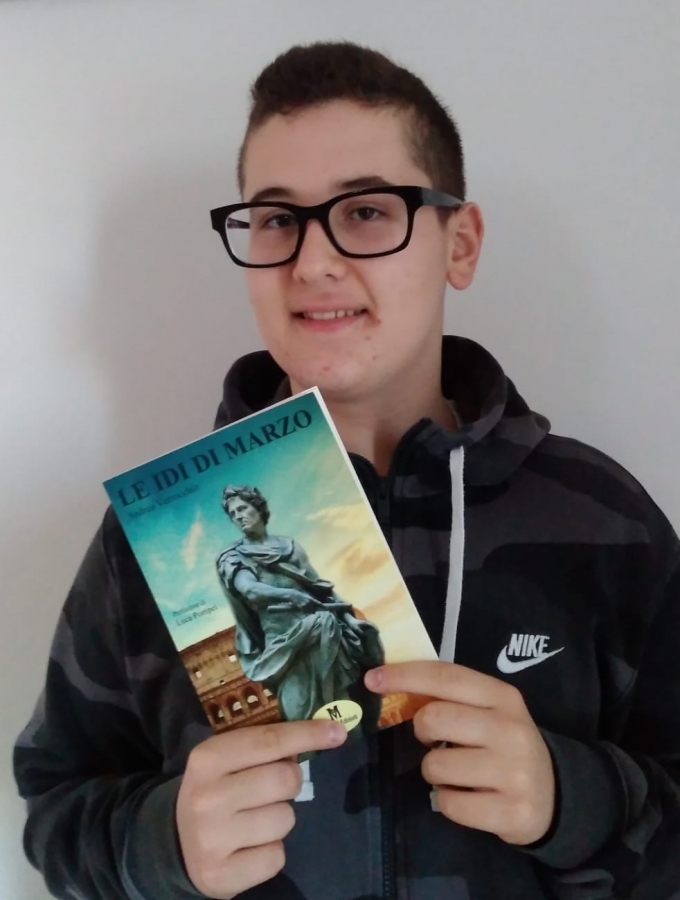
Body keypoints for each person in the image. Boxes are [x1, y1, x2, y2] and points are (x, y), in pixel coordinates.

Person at [13, 40, 680, 900]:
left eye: (366, 211)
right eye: (277, 219)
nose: (313, 262)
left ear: (459, 244)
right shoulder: (160, 537)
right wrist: (161, 844)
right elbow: (55, 805)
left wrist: (573, 799)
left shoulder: (603, 523)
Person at [217, 484, 384, 728]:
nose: (238, 516)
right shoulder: (232, 557)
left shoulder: (290, 547)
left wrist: (349, 618)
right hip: (285, 646)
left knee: (347, 717)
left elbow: (320, 589)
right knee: (299, 716)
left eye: (242, 508)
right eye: (233, 514)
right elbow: (249, 589)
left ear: (258, 508)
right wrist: (291, 596)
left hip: (325, 635)